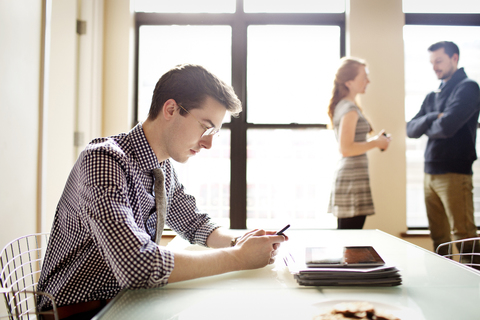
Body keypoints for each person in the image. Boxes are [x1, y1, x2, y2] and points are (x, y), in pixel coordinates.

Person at [37, 64, 287, 320]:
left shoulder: (162, 165)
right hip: (81, 312)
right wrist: (237, 258)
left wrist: (238, 243)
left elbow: (193, 222)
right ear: (171, 109)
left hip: (126, 300)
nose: (209, 143)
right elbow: (137, 265)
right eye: (206, 127)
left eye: (214, 132)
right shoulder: (104, 160)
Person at [406, 41, 480, 255]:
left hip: (455, 173)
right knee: (438, 238)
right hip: (430, 173)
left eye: (439, 61)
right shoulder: (432, 95)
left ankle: (472, 287)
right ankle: (443, 286)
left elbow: (447, 127)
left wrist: (428, 125)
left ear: (454, 58)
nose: (434, 67)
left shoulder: (468, 87)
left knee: (464, 236)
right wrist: (432, 117)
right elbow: (410, 129)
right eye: (432, 62)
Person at [327, 57, 391, 229]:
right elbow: (346, 149)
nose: (368, 81)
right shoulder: (349, 109)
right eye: (364, 77)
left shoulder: (345, 106)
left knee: (350, 237)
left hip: (352, 178)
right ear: (348, 82)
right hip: (352, 181)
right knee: (352, 239)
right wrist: (376, 142)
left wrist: (376, 141)